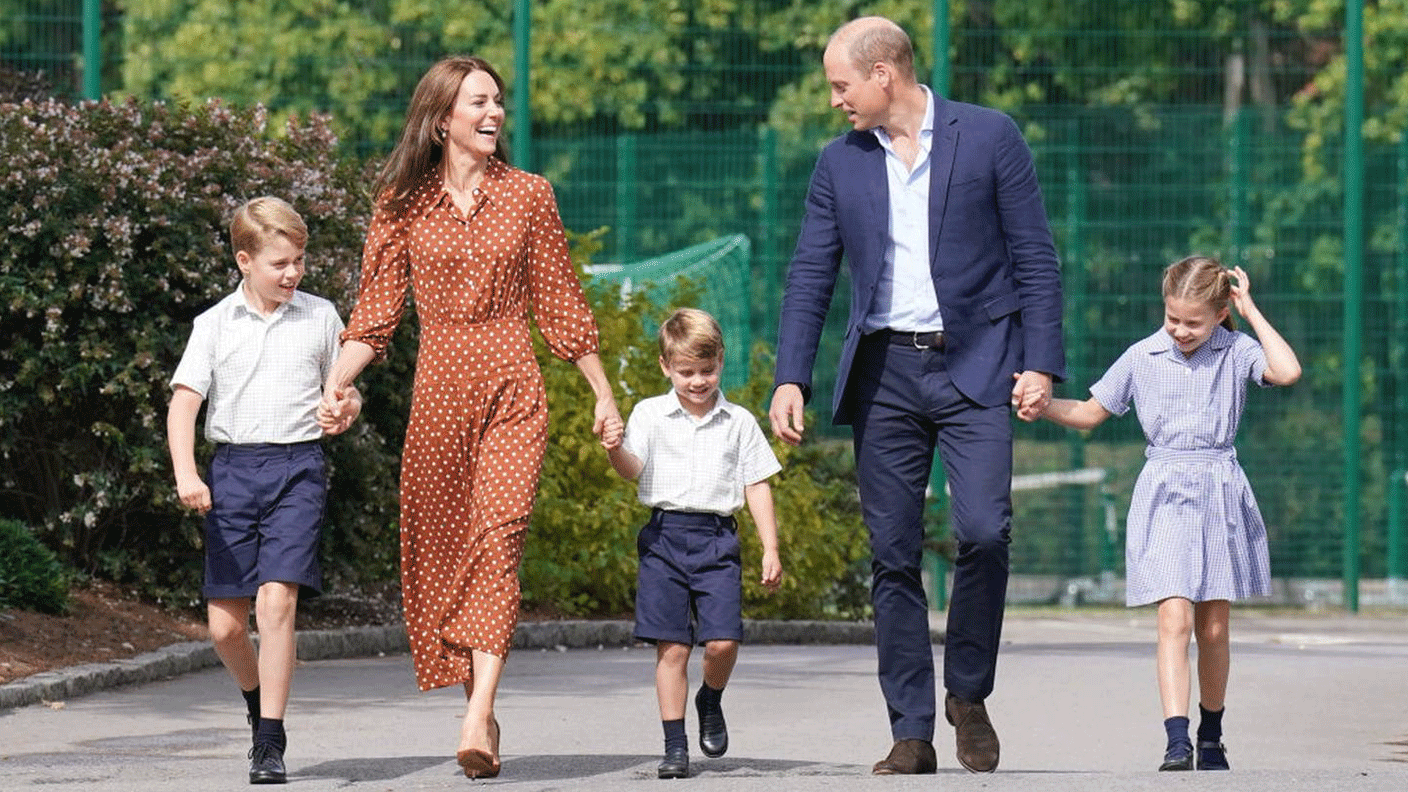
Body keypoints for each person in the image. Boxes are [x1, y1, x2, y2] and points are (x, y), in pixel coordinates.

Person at [768, 16, 1065, 775]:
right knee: (892, 554)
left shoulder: (990, 136)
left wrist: (1042, 363)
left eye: (841, 85)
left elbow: (1035, 256)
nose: (835, 101)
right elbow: (811, 272)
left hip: (978, 366)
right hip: (885, 377)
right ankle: (911, 728)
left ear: (883, 75)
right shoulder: (840, 164)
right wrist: (791, 375)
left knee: (986, 530)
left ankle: (967, 691)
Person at [318, 55, 620, 780]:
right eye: (479, 102)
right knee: (450, 554)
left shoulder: (529, 196)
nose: (494, 115)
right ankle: (479, 699)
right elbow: (376, 314)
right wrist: (335, 384)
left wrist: (603, 392)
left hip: (513, 386)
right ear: (442, 116)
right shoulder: (401, 203)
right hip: (438, 395)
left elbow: (559, 300)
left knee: (501, 539)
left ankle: (478, 710)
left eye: (499, 103)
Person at [1036, 257, 1300, 771]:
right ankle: (1176, 739)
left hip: (1219, 488)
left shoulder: (1239, 350)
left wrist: (1248, 309)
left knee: (1215, 628)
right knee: (1172, 618)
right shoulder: (1143, 355)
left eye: (1193, 322)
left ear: (1221, 312)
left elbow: (1286, 370)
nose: (1179, 330)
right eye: (1172, 318)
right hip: (1163, 493)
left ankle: (1211, 733)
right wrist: (1039, 402)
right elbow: (1091, 412)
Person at [167, 195, 362, 785]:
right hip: (231, 473)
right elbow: (183, 407)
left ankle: (270, 742)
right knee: (226, 625)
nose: (293, 273)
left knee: (276, 600)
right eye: (280, 262)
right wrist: (187, 473)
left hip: (299, 468)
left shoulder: (322, 316)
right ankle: (256, 707)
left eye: (299, 260)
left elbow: (345, 392)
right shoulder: (214, 324)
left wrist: (346, 407)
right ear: (244, 260)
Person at [600, 307, 783, 779]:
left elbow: (757, 484)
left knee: (722, 642)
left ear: (720, 360)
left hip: (716, 540)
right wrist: (614, 448)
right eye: (686, 372)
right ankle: (675, 746)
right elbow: (632, 469)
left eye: (707, 370)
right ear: (666, 367)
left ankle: (711, 698)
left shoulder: (738, 422)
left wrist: (770, 548)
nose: (697, 381)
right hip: (664, 537)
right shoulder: (649, 414)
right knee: (673, 648)